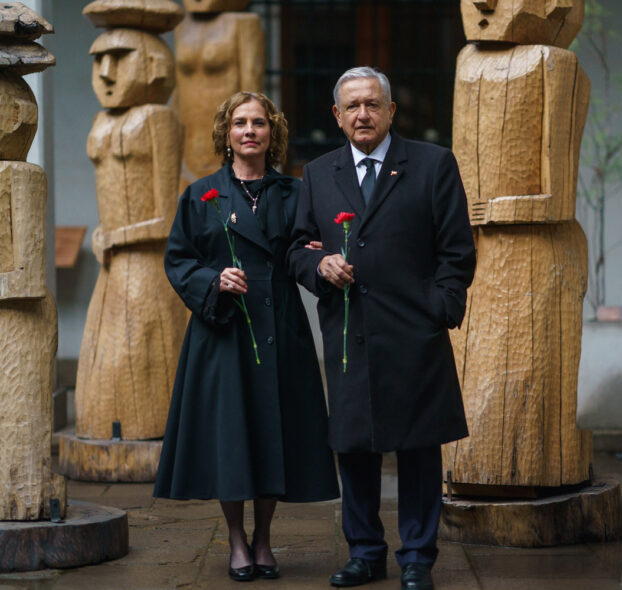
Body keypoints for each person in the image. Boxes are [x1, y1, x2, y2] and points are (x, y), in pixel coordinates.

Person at [288, 67, 476, 590]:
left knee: (418, 449)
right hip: (351, 331)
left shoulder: (432, 164)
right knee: (355, 448)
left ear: (391, 111)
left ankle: (417, 556)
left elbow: (457, 252)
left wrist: (439, 308)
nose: (363, 114)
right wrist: (320, 265)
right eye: (352, 107)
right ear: (337, 115)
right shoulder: (319, 173)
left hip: (414, 331)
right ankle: (366, 553)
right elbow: (298, 248)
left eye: (372, 104)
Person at [154, 91, 340, 582]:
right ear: (227, 133)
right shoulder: (200, 194)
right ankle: (237, 538)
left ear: (272, 133)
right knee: (232, 436)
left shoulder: (296, 192)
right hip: (224, 330)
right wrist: (213, 280)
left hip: (280, 323)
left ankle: (264, 538)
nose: (250, 130)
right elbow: (178, 260)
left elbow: (307, 250)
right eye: (240, 123)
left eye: (259, 122)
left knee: (273, 433)